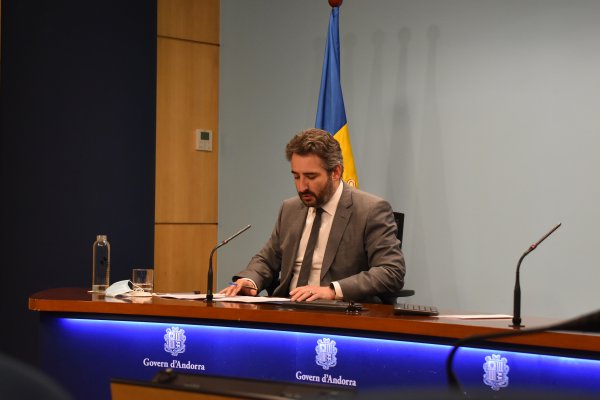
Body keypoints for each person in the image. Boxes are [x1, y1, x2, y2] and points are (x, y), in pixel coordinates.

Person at [219, 128, 405, 302]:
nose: (302, 187)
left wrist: (332, 290)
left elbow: (391, 271)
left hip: (339, 314)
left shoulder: (370, 210)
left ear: (336, 172)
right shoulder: (290, 209)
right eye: (296, 176)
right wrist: (250, 280)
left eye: (311, 177)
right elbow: (267, 259)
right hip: (286, 309)